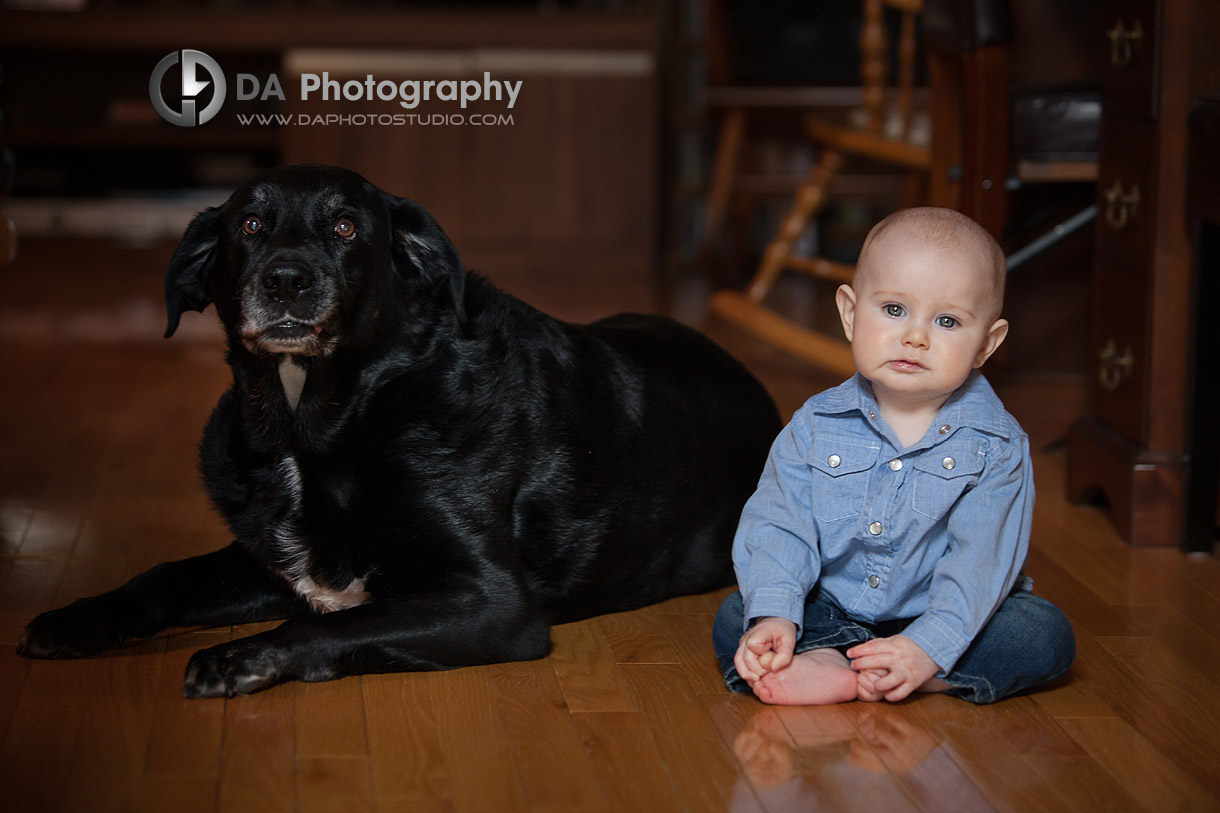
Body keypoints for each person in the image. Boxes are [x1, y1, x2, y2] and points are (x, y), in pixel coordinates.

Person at [712, 207, 1074, 705]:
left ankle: (920, 671)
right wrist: (775, 614)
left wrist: (928, 645)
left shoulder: (997, 446)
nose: (916, 336)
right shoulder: (816, 425)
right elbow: (780, 524)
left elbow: (981, 564)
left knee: (1042, 633)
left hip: (945, 616)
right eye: (895, 310)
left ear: (986, 345)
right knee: (739, 616)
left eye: (947, 321)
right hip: (833, 605)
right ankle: (839, 661)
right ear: (850, 313)